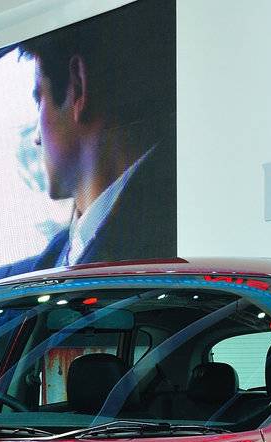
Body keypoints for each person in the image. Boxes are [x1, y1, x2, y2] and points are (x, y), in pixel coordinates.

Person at [19, 2, 176, 269]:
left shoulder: (164, 240)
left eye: (39, 100)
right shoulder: (62, 248)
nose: (36, 138)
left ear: (78, 88)